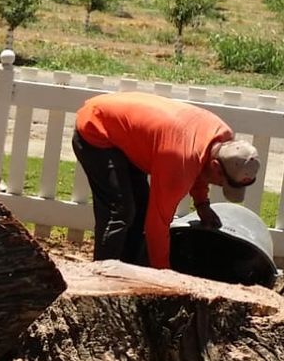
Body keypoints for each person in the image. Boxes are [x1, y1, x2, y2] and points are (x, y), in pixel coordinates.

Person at [71, 92, 260, 270]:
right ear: (218, 168)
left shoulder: (220, 136)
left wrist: (202, 203)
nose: (219, 185)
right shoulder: (179, 163)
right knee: (120, 212)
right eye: (222, 183)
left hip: (123, 134)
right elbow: (157, 226)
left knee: (140, 209)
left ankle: (126, 272)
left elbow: (201, 165)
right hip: (97, 128)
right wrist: (163, 276)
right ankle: (99, 278)